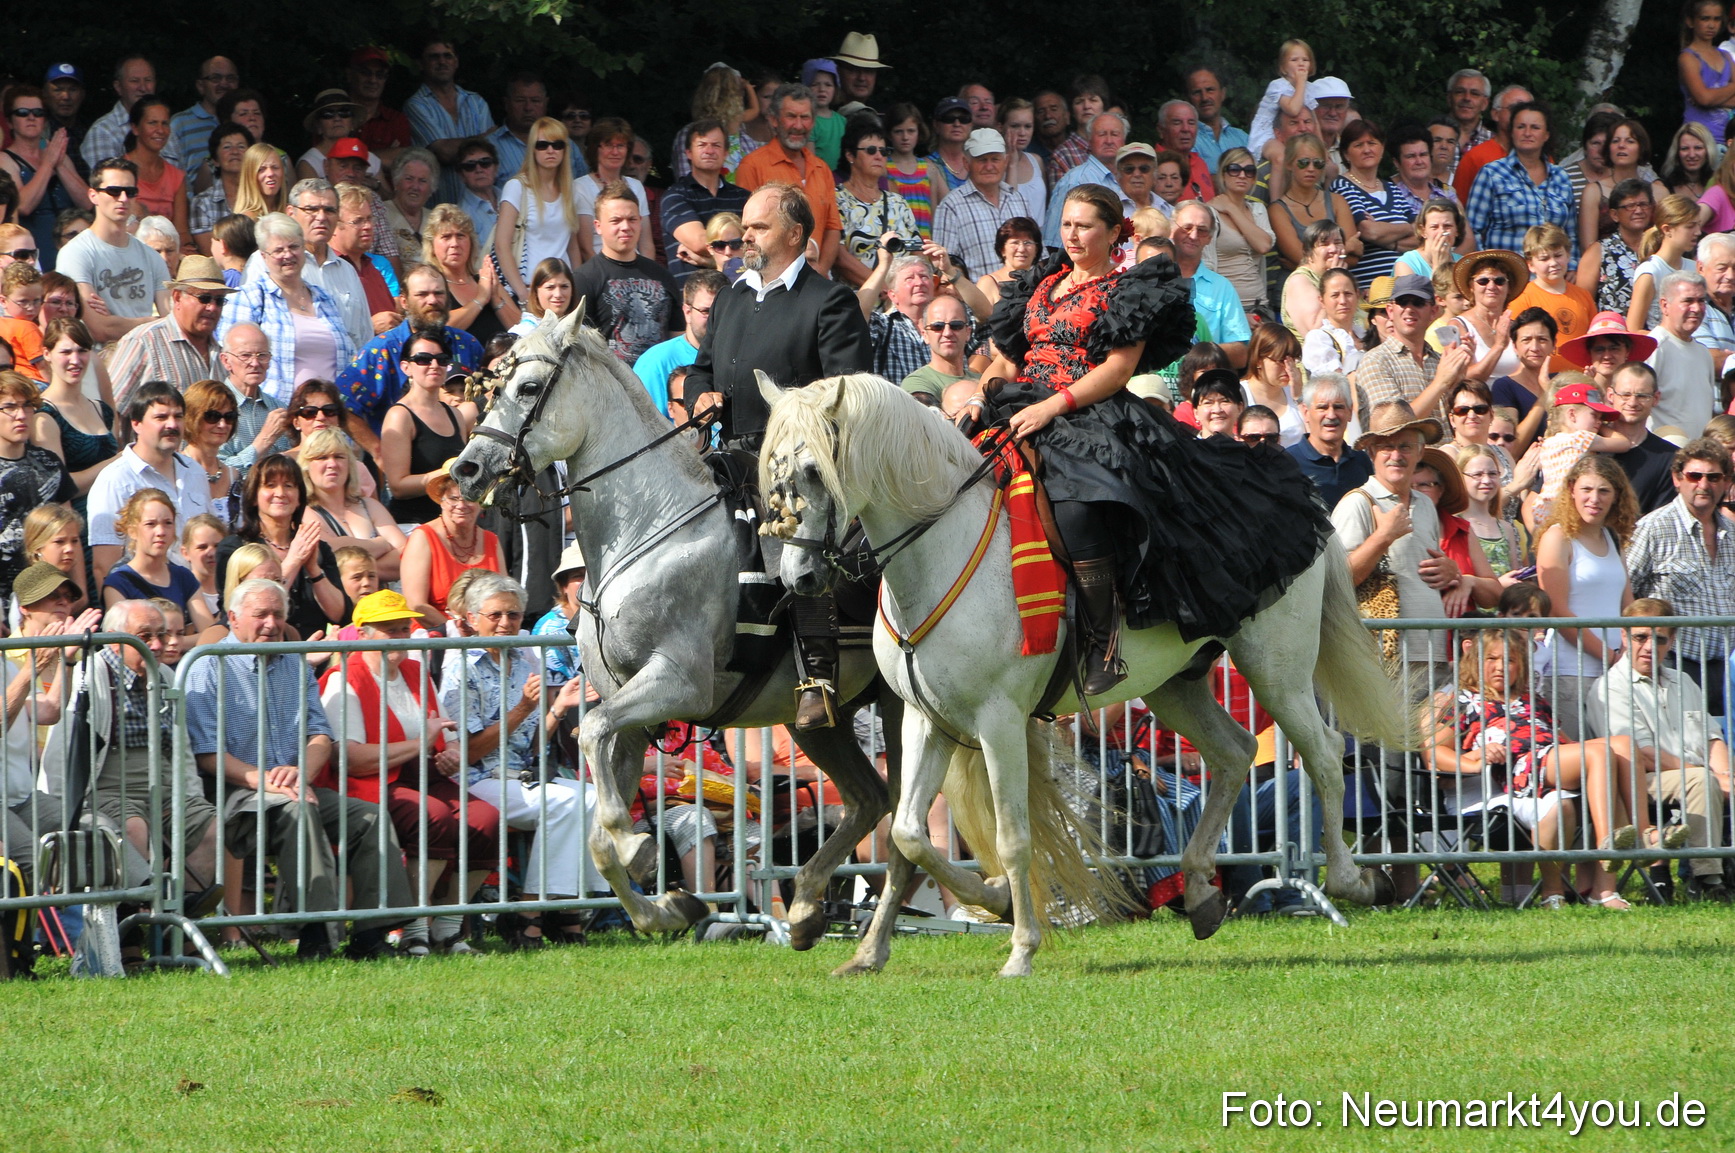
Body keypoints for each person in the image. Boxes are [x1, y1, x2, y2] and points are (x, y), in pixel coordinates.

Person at [968, 183, 1332, 694]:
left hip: (1087, 413)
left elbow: (1118, 369)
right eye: (1067, 224)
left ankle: (1104, 644)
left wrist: (1051, 405)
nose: (1071, 235)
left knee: (1078, 505)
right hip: (1017, 406)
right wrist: (977, 396)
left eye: (1085, 225)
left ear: (1115, 232)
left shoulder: (1126, 288)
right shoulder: (1039, 283)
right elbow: (1008, 358)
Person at [682, 183, 869, 726]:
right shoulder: (734, 296)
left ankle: (818, 678)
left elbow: (847, 391)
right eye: (744, 226)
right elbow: (700, 369)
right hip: (730, 458)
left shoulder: (829, 299)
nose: (745, 237)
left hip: (799, 467)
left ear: (794, 233)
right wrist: (701, 395)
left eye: (758, 227)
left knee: (796, 552)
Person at [183, 577, 413, 959]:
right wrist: (267, 780)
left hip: (292, 785)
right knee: (298, 808)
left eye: (277, 614)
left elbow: (320, 735)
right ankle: (317, 934)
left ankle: (373, 934)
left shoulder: (294, 662)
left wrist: (301, 774)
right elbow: (207, 753)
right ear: (234, 618)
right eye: (261, 615)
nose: (271, 624)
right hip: (233, 792)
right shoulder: (208, 667)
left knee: (369, 818)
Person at [318, 588, 502, 954]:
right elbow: (352, 759)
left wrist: (448, 751)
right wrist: (422, 745)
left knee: (486, 819)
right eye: (391, 630)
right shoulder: (343, 678)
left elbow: (438, 730)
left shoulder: (416, 670)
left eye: (404, 628)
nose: (401, 637)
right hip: (372, 781)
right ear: (365, 633)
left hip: (425, 773)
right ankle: (415, 928)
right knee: (431, 816)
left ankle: (448, 928)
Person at [440, 572, 599, 946]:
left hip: (521, 772)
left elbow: (531, 744)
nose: (505, 623)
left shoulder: (525, 660)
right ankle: (531, 913)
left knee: (594, 798)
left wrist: (558, 707)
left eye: (513, 615)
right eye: (494, 615)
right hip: (477, 779)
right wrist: (523, 708)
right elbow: (470, 751)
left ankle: (563, 910)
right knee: (565, 804)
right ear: (472, 619)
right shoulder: (460, 667)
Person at [1422, 628, 1628, 908]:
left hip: (1548, 771)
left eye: (1509, 660)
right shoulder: (1461, 700)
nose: (1499, 667)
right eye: (1490, 658)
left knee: (1613, 755)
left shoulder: (1533, 700)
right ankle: (1612, 849)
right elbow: (1434, 753)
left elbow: (1565, 742)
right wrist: (1473, 760)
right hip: (1514, 773)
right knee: (1600, 753)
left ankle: (1557, 894)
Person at [1590, 599, 1731, 901]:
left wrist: (1725, 774)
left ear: (1672, 641)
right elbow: (1640, 754)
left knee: (1713, 780)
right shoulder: (1610, 687)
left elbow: (1711, 737)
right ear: (1624, 637)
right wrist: (1707, 775)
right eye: (1640, 637)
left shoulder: (1684, 681)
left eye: (1659, 638)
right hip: (1643, 782)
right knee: (1702, 782)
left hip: (1692, 777)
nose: (1649, 646)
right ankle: (1708, 879)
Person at [1623, 438, 1735, 714]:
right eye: (1694, 476)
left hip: (1726, 667)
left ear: (1726, 482)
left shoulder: (1732, 535)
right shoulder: (1652, 529)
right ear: (1677, 478)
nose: (1703, 484)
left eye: (1713, 477)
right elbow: (1624, 594)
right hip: (1673, 662)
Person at [1533, 453, 1638, 743]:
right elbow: (1556, 609)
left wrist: (1628, 653)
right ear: (1571, 491)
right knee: (1583, 763)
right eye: (1587, 489)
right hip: (1571, 672)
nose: (1595, 498)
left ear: (1616, 496)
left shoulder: (1612, 538)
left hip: (1615, 672)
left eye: (1604, 490)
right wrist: (1608, 655)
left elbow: (1628, 606)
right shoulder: (1558, 537)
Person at [216, 214, 355, 405]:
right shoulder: (248, 297)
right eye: (278, 250)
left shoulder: (324, 298)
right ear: (264, 256)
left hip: (329, 415)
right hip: (278, 414)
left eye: (294, 247)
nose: (288, 255)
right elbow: (232, 364)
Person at [56, 157, 171, 344]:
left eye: (130, 192)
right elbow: (100, 329)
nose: (123, 199)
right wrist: (154, 324)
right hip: (102, 360)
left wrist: (119, 321)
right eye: (114, 191)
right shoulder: (75, 253)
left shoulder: (151, 256)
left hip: (148, 357)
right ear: (93, 195)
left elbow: (172, 322)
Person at [733, 87, 843, 276]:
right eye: (791, 116)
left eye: (805, 117)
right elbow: (744, 229)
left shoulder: (822, 168)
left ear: (813, 121)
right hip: (769, 276)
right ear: (774, 120)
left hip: (817, 278)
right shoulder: (752, 165)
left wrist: (820, 272)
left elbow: (833, 228)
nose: (798, 125)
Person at [571, 181, 679, 366]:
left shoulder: (663, 276)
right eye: (616, 220)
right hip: (610, 387)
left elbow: (678, 339)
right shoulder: (584, 279)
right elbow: (580, 349)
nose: (625, 226)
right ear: (598, 226)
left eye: (632, 219)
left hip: (658, 385)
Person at [107, 255, 230, 411]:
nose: (212, 307)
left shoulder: (222, 353)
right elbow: (112, 408)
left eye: (219, 300)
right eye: (204, 298)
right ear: (177, 297)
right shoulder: (144, 341)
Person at [31, 316, 118, 518]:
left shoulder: (100, 409)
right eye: (66, 352)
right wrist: (119, 461)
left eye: (82, 351)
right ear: (47, 353)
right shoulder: (44, 415)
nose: (75, 360)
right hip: (78, 522)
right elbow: (60, 486)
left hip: (116, 516)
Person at [1466, 102, 1575, 262]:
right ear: (1511, 133)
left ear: (1546, 135)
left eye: (1535, 127)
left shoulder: (1561, 176)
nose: (1527, 133)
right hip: (1505, 276)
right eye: (1521, 127)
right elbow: (1472, 230)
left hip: (1553, 276)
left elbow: (1571, 232)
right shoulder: (1492, 173)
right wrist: (1486, 267)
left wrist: (1572, 265)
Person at [0, 372, 73, 604]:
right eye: (9, 407)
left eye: (27, 406)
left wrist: (76, 590)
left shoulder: (49, 464)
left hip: (47, 594)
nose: (21, 415)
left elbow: (68, 529)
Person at [298, 428, 407, 583]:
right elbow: (329, 551)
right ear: (307, 466)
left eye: (339, 456)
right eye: (322, 457)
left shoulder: (370, 506)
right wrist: (382, 544)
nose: (332, 464)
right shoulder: (304, 512)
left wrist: (354, 571)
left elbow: (408, 555)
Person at [493, 116, 582, 306]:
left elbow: (572, 246)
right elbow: (502, 245)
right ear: (532, 149)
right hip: (529, 287)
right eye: (542, 145)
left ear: (565, 150)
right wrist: (523, 293)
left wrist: (578, 288)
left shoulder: (571, 190)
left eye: (557, 145)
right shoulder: (517, 187)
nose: (550, 150)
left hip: (563, 291)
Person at [400, 462, 502, 625]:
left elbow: (503, 598)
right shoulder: (423, 538)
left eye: (469, 498)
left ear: (481, 501)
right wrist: (459, 636)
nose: (461, 506)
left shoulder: (491, 540)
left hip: (484, 637)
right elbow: (416, 606)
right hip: (436, 638)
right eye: (453, 498)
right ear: (441, 500)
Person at [0, 86, 89, 272]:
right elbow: (22, 205)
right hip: (34, 253)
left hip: (70, 249)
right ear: (9, 122)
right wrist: (47, 166)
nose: (31, 117)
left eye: (38, 113)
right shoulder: (5, 159)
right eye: (23, 113)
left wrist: (59, 164)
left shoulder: (57, 155)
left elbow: (87, 202)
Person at [1359, 272, 1472, 416]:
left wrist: (1460, 377)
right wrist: (1441, 383)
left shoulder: (1440, 361)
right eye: (1402, 302)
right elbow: (1391, 426)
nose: (1409, 309)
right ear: (1390, 310)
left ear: (1433, 311)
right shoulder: (1375, 361)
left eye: (1418, 303)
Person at [403, 36, 495, 206]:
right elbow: (444, 152)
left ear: (456, 62)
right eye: (434, 57)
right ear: (421, 64)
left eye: (447, 56)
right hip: (439, 210)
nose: (442, 61)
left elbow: (489, 152)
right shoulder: (416, 105)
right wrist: (484, 138)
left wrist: (482, 143)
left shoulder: (476, 102)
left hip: (481, 208)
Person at [662, 118, 752, 284]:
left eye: (716, 145)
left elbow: (757, 245)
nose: (709, 151)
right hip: (694, 300)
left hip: (739, 295)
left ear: (726, 152)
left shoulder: (744, 198)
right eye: (702, 145)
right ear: (688, 153)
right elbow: (699, 242)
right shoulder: (674, 196)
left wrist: (707, 261)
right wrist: (735, 248)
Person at [1269, 133, 1361, 292]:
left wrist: (1301, 264)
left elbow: (1355, 257)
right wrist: (1346, 247)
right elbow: (1299, 257)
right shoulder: (1277, 210)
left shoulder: (1337, 201)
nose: (1311, 169)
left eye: (1318, 163)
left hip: (1337, 293)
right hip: (1298, 293)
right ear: (1290, 164)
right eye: (1304, 162)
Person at [1170, 200, 1251, 368]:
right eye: (1187, 227)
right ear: (1171, 229)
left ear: (1209, 238)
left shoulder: (1221, 287)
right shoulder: (1150, 278)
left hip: (1203, 382)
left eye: (1202, 230)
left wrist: (1196, 354)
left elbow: (1240, 353)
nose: (1193, 235)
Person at [1506, 225, 1596, 372]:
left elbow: (1592, 338)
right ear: (1531, 265)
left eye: (1558, 255)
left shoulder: (1583, 296)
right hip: (1539, 377)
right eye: (1544, 258)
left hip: (1578, 377)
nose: (1553, 263)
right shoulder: (1521, 297)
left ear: (1568, 255)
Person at [635, 270, 725, 418]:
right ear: (687, 312)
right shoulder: (656, 363)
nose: (715, 319)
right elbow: (645, 425)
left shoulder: (741, 356)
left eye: (721, 311)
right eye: (706, 311)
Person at [421, 203, 513, 345]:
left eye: (460, 235)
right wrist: (481, 299)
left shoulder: (486, 278)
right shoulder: (430, 285)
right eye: (446, 237)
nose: (455, 243)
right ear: (432, 246)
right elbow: (438, 331)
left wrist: (495, 298)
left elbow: (522, 329)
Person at [1648, 270, 1718, 444]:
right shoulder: (1654, 347)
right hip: (1664, 455)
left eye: (1701, 301)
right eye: (1688, 301)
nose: (1696, 308)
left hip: (1698, 459)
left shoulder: (1703, 353)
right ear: (1665, 305)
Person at [572, 118, 654, 265]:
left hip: (636, 269)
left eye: (620, 146)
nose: (615, 152)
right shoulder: (580, 187)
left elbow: (646, 243)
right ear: (595, 149)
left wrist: (648, 278)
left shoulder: (636, 186)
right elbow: (585, 247)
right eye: (608, 145)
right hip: (599, 269)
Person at [216, 322, 291, 476]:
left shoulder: (279, 409)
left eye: (262, 355)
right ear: (225, 361)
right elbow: (215, 473)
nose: (255, 363)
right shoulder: (212, 411)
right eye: (245, 355)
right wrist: (263, 442)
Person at [1286, 372, 1371, 508]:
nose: (1331, 415)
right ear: (1306, 412)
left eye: (1338, 407)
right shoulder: (1288, 462)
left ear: (1349, 413)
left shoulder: (1362, 461)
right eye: (1322, 407)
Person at [81, 57, 181, 171]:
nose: (143, 88)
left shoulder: (164, 128)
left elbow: (183, 182)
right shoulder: (103, 131)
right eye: (134, 81)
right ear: (118, 87)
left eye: (148, 80)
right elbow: (105, 186)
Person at [1446, 249, 1527, 383]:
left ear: (1509, 287)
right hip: (1476, 401)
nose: (1491, 286)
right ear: (1471, 286)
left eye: (1499, 281)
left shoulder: (1516, 327)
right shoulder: (1454, 326)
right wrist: (1499, 346)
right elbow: (1461, 377)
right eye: (1483, 281)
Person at [1045, 113, 1128, 242]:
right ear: (1089, 140)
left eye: (1115, 134)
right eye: (1102, 134)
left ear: (1124, 140)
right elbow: (1054, 241)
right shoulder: (1075, 181)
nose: (1109, 141)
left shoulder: (1130, 179)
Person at [1627, 194, 1702, 334]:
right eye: (1690, 226)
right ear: (1667, 229)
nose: (1697, 232)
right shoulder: (1651, 270)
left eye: (1698, 225)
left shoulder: (1694, 267)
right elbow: (1633, 328)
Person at [1212, 148, 1272, 314]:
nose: (1242, 175)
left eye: (1249, 171)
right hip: (1225, 308)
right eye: (1234, 169)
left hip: (1260, 304)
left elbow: (1264, 245)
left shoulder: (1258, 209)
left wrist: (1231, 208)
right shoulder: (1208, 213)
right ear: (1223, 174)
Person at [1456, 443, 1529, 577]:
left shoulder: (1505, 527)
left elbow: (1514, 573)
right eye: (1477, 474)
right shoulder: (1456, 525)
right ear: (1460, 477)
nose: (1486, 480)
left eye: (1492, 474)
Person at [189, 122, 254, 254]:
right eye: (227, 147)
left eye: (241, 147)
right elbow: (210, 252)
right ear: (215, 160)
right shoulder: (202, 203)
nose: (235, 152)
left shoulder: (262, 197)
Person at [901, 294, 977, 403]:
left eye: (956, 325)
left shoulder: (983, 380)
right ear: (925, 335)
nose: (947, 333)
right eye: (937, 326)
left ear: (968, 332)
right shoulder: (916, 383)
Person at [1280, 219, 1349, 339]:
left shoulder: (1343, 278)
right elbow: (1316, 330)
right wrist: (1334, 280)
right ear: (1309, 253)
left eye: (1337, 242)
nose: (1333, 249)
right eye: (1324, 244)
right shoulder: (1300, 281)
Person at [1238, 323, 1304, 447]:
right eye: (1280, 361)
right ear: (1258, 360)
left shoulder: (1296, 394)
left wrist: (1299, 396)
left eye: (1293, 360)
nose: (1288, 368)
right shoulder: (1238, 395)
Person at [883, 103, 939, 241]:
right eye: (898, 131)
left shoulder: (929, 168)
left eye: (911, 131)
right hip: (898, 244)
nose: (905, 137)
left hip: (925, 244)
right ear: (889, 134)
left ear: (919, 131)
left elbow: (934, 214)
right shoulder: (884, 168)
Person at [1299, 267, 1363, 386]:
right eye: (1335, 295)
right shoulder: (1318, 339)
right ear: (1322, 301)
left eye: (1348, 294)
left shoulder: (1365, 334)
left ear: (1357, 295)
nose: (1343, 301)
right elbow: (1335, 385)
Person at [1185, 66, 1249, 171]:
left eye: (1210, 90)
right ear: (1188, 99)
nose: (1204, 98)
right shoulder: (1186, 139)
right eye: (1197, 92)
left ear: (1222, 94)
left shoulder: (1242, 138)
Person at [975, 217, 1042, 312]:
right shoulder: (989, 283)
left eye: (1027, 243)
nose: (1022, 249)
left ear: (1036, 249)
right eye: (1015, 243)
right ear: (1002, 249)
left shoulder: (1044, 281)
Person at [382, 148, 438, 258]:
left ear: (431, 188)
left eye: (422, 181)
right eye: (409, 179)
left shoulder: (437, 220)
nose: (415, 186)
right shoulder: (380, 214)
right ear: (396, 182)